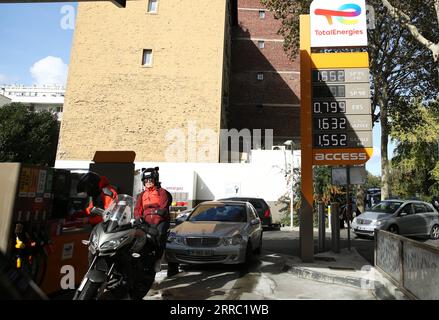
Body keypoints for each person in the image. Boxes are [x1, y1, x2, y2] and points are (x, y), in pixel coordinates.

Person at [133, 167, 177, 276]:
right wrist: (138, 217)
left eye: (150, 180)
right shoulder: (142, 195)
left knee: (160, 236)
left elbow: (163, 208)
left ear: (155, 180)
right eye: (146, 180)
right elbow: (137, 209)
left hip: (160, 221)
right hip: (146, 221)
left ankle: (158, 260)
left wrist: (155, 220)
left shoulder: (162, 192)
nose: (148, 182)